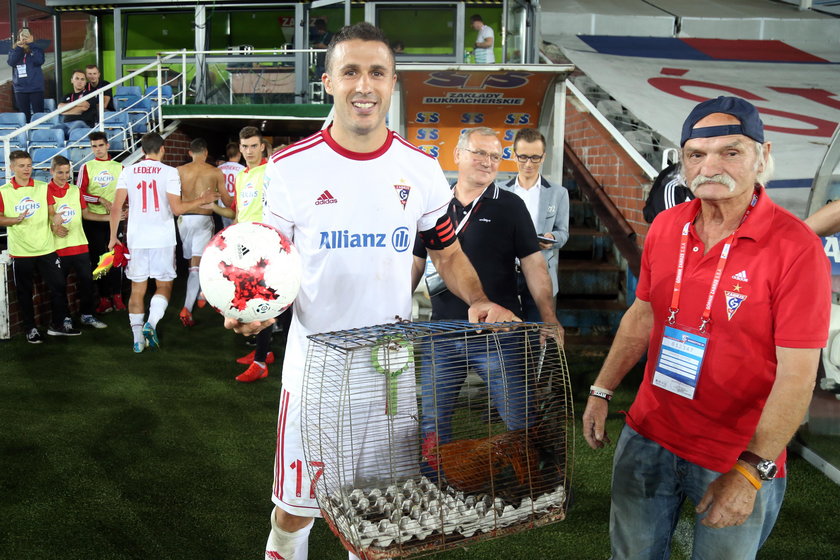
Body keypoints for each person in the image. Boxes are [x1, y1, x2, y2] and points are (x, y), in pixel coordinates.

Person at [226, 23, 517, 560]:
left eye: (377, 72)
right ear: (328, 82)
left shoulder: (421, 169)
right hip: (314, 371)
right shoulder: (289, 169)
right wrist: (256, 312)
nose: (365, 84)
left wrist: (477, 298)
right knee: (296, 508)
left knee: (385, 511)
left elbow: (447, 252)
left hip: (389, 373)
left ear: (392, 83)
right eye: (351, 71)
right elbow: (272, 264)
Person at [581, 96, 830, 559]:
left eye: (730, 152)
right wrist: (602, 389)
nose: (710, 165)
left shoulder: (797, 248)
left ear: (762, 155)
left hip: (734, 453)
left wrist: (751, 472)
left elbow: (797, 377)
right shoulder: (666, 226)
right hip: (649, 434)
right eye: (696, 154)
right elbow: (644, 313)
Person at [412, 127, 562, 455]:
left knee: (519, 418)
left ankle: (538, 488)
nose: (488, 161)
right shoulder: (433, 206)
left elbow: (535, 266)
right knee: (432, 421)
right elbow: (416, 264)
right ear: (458, 155)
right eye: (480, 153)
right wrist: (391, 310)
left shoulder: (510, 206)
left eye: (495, 156)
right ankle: (434, 484)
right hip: (443, 332)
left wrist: (549, 318)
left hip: (500, 333)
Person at [108, 133, 217, 353]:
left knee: (137, 289)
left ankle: (137, 338)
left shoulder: (127, 171)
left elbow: (116, 207)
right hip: (162, 239)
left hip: (136, 239)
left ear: (141, 151)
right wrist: (201, 200)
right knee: (164, 285)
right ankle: (152, 323)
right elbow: (177, 209)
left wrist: (113, 237)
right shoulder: (169, 172)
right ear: (163, 149)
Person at [210, 126, 277, 382]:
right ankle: (265, 351)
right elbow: (238, 214)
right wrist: (214, 209)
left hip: (265, 242)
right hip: (245, 243)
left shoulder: (271, 171)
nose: (248, 151)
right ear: (239, 148)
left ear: (262, 147)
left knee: (261, 299)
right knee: (256, 298)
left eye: (253, 146)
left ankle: (260, 362)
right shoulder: (241, 176)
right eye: (244, 146)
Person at [0, 150, 80, 342]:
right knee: (25, 292)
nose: (27, 169)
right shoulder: (3, 191)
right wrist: (15, 219)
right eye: (21, 166)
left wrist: (56, 220)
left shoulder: (43, 187)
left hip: (46, 248)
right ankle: (31, 329)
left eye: (29, 165)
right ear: (11, 167)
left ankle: (57, 324)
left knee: (59, 286)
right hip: (21, 251)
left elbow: (52, 212)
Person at [501, 128, 570, 322]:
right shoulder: (499, 191)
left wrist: (553, 238)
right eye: (523, 157)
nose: (529, 164)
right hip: (506, 272)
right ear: (514, 156)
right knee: (506, 331)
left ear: (544, 157)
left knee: (538, 330)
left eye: (535, 158)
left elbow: (563, 232)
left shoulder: (558, 193)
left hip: (541, 271)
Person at [46, 155, 108, 330]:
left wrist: (109, 218)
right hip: (57, 247)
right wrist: (53, 226)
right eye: (60, 172)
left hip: (80, 245)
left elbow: (86, 214)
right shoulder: (44, 191)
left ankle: (87, 315)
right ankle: (64, 318)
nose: (64, 176)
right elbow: (43, 218)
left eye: (67, 172)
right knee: (59, 286)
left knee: (87, 282)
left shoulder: (75, 190)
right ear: (51, 171)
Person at [176, 137, 230, 327]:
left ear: (190, 152)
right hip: (203, 219)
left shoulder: (178, 171)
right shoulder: (215, 172)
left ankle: (198, 297)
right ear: (206, 153)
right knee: (198, 265)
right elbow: (229, 202)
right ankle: (191, 304)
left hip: (183, 220)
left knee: (193, 265)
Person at [78, 132, 125, 313]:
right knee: (99, 260)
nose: (97, 149)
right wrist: (99, 199)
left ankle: (117, 297)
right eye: (94, 146)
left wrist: (126, 207)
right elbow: (80, 192)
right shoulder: (87, 167)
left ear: (107, 145)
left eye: (100, 145)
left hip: (114, 221)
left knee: (116, 258)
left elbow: (125, 191)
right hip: (94, 221)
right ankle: (104, 298)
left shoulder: (119, 167)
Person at [6, 27, 45, 122]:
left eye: (27, 35)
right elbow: (11, 62)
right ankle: (26, 135)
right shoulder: (15, 50)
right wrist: (19, 48)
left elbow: (39, 61)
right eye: (22, 35)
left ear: (31, 37)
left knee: (38, 115)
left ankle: (38, 135)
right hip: (20, 89)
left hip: (36, 88)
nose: (24, 38)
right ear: (18, 37)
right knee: (23, 116)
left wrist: (31, 45)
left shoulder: (36, 48)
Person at [217, 142, 245, 229]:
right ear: (239, 154)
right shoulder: (242, 169)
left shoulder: (219, 168)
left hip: (221, 205)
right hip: (236, 205)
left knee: (225, 231)